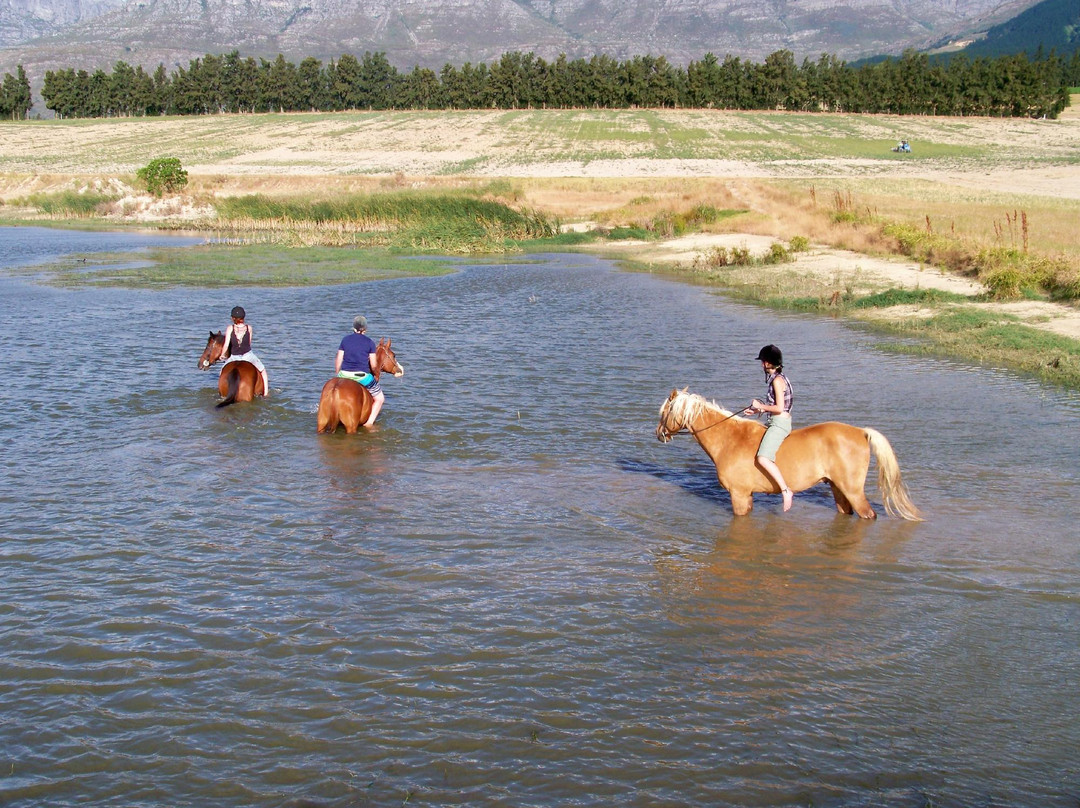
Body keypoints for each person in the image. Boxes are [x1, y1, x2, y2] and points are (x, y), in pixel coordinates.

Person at [744, 344, 794, 511]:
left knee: (763, 458)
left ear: (768, 363)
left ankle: (786, 491)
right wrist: (756, 409)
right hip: (775, 421)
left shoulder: (777, 381)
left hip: (779, 423)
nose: (761, 365)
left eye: (763, 362)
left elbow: (779, 408)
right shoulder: (780, 378)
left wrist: (761, 406)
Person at [335, 315, 385, 426]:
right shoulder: (369, 342)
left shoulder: (345, 340)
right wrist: (376, 372)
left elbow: (339, 359)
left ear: (354, 328)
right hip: (361, 376)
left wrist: (338, 374)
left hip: (344, 374)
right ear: (365, 329)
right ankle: (369, 423)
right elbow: (373, 365)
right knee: (380, 398)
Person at [222, 305, 270, 397]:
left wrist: (222, 355)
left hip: (234, 357)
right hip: (248, 356)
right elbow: (249, 344)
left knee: (222, 372)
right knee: (263, 370)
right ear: (243, 317)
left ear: (233, 318)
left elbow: (226, 345)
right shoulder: (249, 328)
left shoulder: (230, 328)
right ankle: (266, 393)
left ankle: (222, 394)